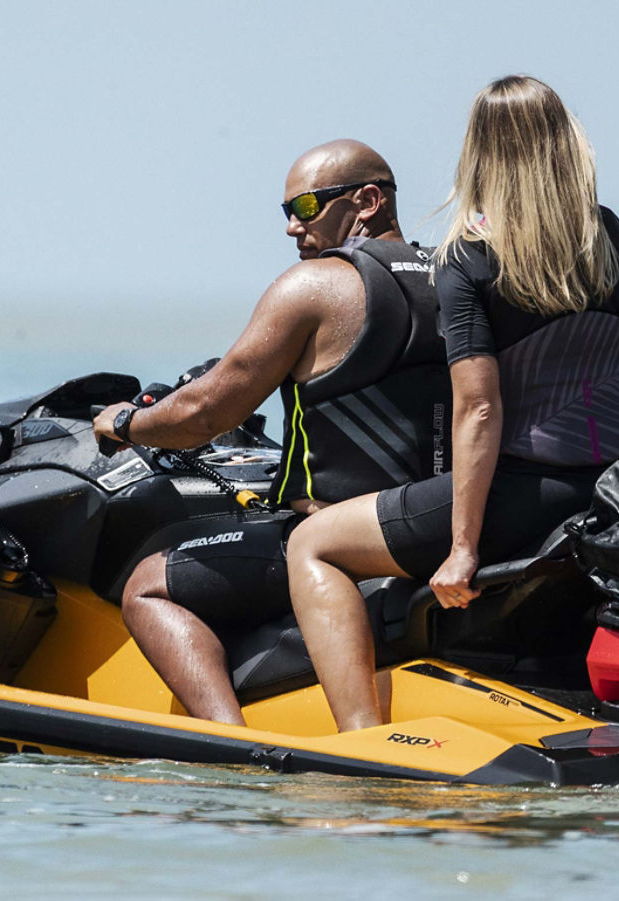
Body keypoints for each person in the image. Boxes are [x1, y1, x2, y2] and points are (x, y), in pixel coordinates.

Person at [285, 75, 619, 732]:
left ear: (482, 153)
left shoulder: (469, 255)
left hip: (528, 494)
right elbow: (616, 370)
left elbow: (480, 410)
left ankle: (361, 742)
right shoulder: (610, 238)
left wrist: (463, 546)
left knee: (313, 545)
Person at [91, 140, 450, 726]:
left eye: (306, 206)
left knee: (148, 586)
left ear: (367, 200)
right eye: (285, 210)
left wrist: (128, 423)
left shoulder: (315, 286)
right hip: (429, 527)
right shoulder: (454, 278)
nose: (291, 227)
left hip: (334, 538)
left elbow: (207, 414)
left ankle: (227, 747)